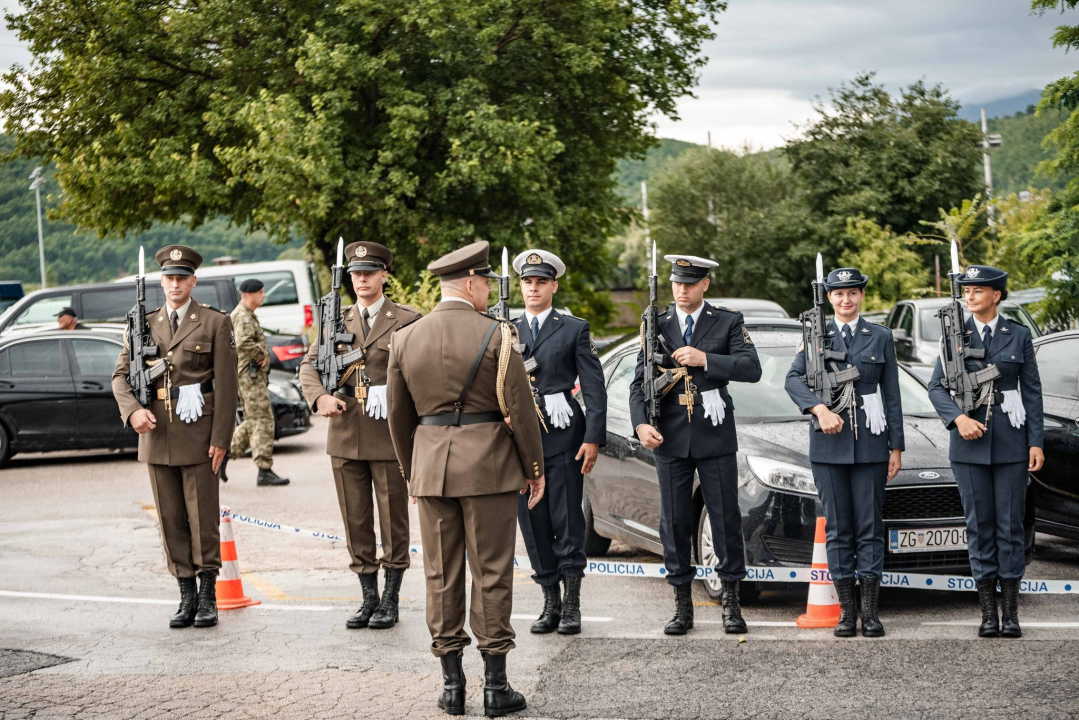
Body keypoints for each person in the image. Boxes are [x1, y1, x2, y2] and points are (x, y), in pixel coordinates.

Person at [386, 241, 545, 717]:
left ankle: (451, 687)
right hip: (490, 469)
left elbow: (397, 418)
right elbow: (521, 409)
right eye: (485, 286)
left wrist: (412, 473)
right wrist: (534, 470)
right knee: (491, 572)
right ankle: (496, 689)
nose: (485, 294)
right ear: (473, 283)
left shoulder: (405, 337)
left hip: (432, 469)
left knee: (440, 574)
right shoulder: (497, 334)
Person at [628, 255, 761, 636]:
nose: (682, 289)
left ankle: (731, 603)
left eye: (690, 283)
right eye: (676, 283)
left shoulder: (726, 321)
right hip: (669, 433)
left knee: (724, 517)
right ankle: (682, 604)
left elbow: (752, 368)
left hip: (714, 432)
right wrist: (640, 423)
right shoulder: (657, 324)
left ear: (704, 285)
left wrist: (707, 359)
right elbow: (640, 382)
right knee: (674, 521)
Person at [111, 245, 239, 629]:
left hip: (201, 433)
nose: (175, 284)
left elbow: (229, 386)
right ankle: (185, 594)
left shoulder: (215, 322)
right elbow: (120, 377)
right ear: (161, 282)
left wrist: (222, 438)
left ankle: (207, 596)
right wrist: (133, 410)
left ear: (193, 281)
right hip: (157, 433)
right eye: (169, 278)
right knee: (170, 519)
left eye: (182, 278)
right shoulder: (143, 323)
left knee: (202, 519)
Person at [299, 241, 421, 631]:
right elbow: (309, 364)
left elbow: (424, 371)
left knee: (393, 520)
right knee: (355, 519)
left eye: (369, 271)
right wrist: (319, 398)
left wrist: (396, 390)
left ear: (385, 275)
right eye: (356, 273)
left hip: (388, 434)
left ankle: (391, 597)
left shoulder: (407, 318)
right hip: (346, 430)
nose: (362, 278)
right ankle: (368, 596)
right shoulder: (336, 319)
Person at [784, 267, 904, 637]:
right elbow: (792, 379)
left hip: (870, 441)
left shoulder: (880, 336)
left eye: (852, 293)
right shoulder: (815, 336)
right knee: (838, 530)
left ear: (862, 296)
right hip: (829, 444)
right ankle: (846, 613)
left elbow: (893, 395)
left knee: (870, 528)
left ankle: (870, 614)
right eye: (838, 295)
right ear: (830, 299)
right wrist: (819, 410)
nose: (845, 300)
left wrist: (895, 446)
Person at [927, 265, 1043, 638]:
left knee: (1010, 527)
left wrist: (1035, 440)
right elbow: (936, 388)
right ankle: (987, 614)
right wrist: (958, 419)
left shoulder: (1018, 335)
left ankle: (1011, 613)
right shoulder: (953, 336)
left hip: (1010, 443)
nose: (970, 296)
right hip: (968, 446)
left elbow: (1032, 392)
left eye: (978, 290)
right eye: (966, 291)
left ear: (997, 295)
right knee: (979, 527)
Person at [510, 249, 607, 635]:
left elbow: (594, 386)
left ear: (553, 285)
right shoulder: (506, 328)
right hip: (520, 440)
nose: (533, 288)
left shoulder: (573, 329)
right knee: (533, 524)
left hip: (564, 436)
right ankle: (549, 600)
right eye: (527, 282)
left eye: (540, 282)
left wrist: (593, 437)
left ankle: (571, 604)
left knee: (567, 521)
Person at [221, 278, 289, 486]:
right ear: (248, 294)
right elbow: (243, 343)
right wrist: (261, 353)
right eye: (260, 292)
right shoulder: (242, 316)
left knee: (254, 421)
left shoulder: (247, 315)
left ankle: (224, 453)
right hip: (249, 376)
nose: (263, 295)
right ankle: (264, 469)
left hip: (252, 376)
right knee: (263, 421)